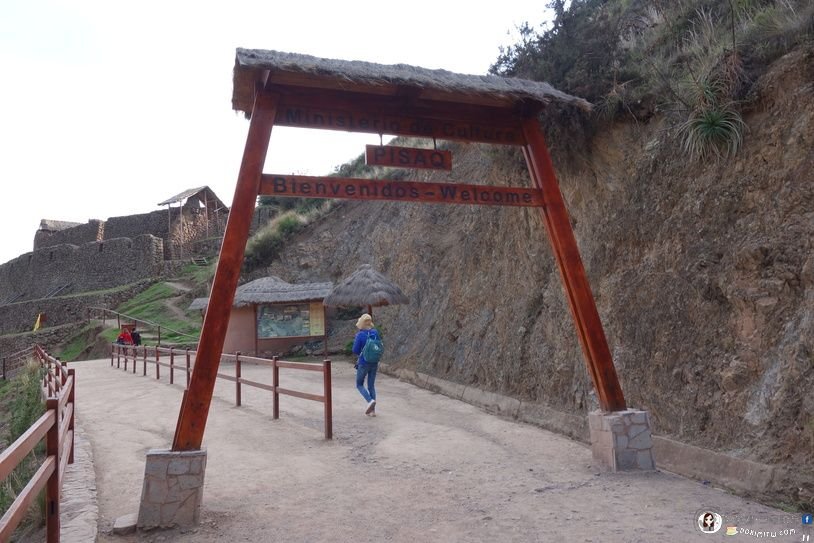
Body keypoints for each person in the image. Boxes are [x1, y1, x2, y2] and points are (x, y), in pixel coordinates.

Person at [352, 313, 380, 416]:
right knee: (371, 385)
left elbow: (355, 350)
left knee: (359, 384)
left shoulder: (360, 335)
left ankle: (370, 401)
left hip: (363, 362)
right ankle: (372, 411)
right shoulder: (375, 332)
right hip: (374, 362)